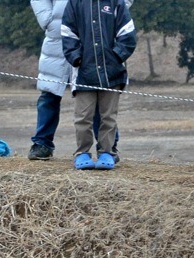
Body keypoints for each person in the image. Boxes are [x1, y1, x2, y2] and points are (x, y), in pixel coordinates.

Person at [28, 0, 131, 162]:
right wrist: (48, 19)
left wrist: (112, 7)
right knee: (49, 95)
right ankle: (42, 144)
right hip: (58, 39)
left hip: (99, 35)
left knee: (101, 95)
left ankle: (108, 149)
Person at [61, 0, 136, 170]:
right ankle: (82, 153)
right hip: (83, 74)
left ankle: (107, 152)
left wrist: (116, 56)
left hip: (112, 73)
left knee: (108, 117)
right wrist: (76, 57)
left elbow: (128, 32)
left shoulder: (116, 2)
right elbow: (67, 32)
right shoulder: (75, 3)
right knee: (83, 117)